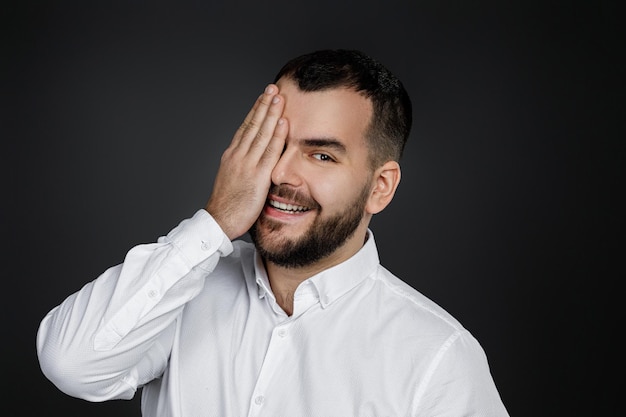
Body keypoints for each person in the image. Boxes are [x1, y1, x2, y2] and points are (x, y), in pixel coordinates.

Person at [36, 49, 509, 416]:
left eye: (321, 155)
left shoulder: (438, 358)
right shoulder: (185, 290)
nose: (281, 173)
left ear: (380, 187)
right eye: (274, 144)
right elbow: (72, 365)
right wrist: (217, 221)